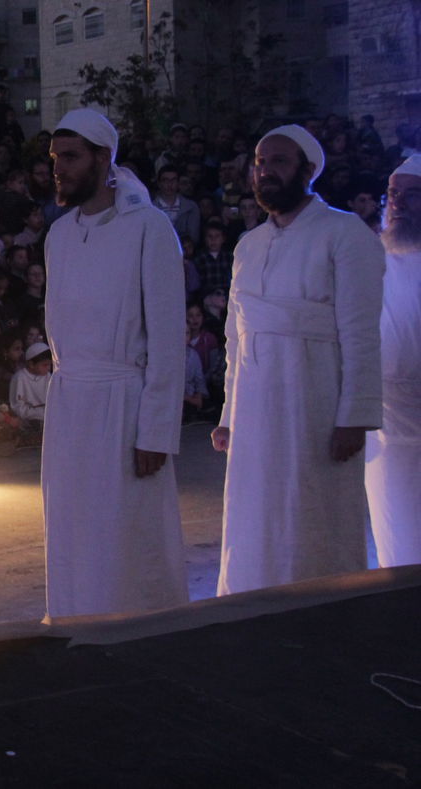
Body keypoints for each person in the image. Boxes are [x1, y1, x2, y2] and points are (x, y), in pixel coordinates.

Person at [213, 125, 384, 595]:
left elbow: (362, 333)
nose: (265, 172)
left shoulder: (345, 234)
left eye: (279, 162)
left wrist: (356, 417)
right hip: (254, 412)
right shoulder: (249, 244)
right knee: (255, 516)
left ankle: (321, 617)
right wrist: (229, 414)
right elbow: (235, 337)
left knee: (313, 516)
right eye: (260, 163)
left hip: (316, 402)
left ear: (308, 170)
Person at [41, 109, 188, 619]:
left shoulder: (149, 228)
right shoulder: (58, 234)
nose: (59, 168)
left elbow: (169, 338)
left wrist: (155, 432)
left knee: (126, 528)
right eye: (55, 157)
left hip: (123, 407)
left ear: (104, 158)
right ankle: (74, 617)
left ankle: (140, 626)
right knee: (72, 524)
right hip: (69, 407)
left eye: (71, 157)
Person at [364, 156, 421, 568]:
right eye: (392, 194)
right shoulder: (369, 258)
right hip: (385, 425)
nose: (397, 204)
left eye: (410, 195)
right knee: (398, 548)